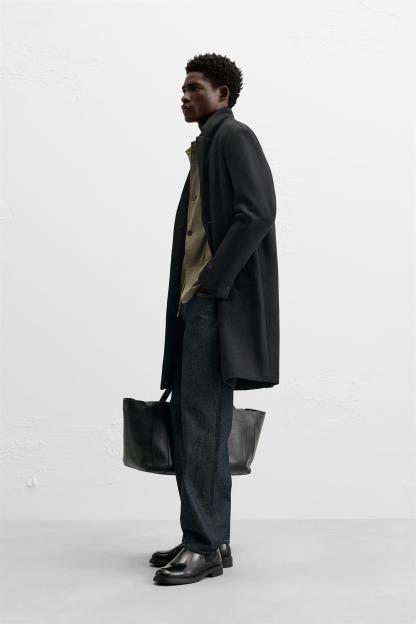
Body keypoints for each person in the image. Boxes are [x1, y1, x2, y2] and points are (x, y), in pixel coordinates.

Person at [151, 52, 279, 585]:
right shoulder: (207, 145)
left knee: (201, 423)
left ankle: (202, 546)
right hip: (197, 300)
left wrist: (212, 281)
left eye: (195, 88)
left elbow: (259, 212)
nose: (184, 96)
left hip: (211, 303)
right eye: (183, 88)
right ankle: (212, 538)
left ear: (222, 94)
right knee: (201, 422)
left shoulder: (233, 137)